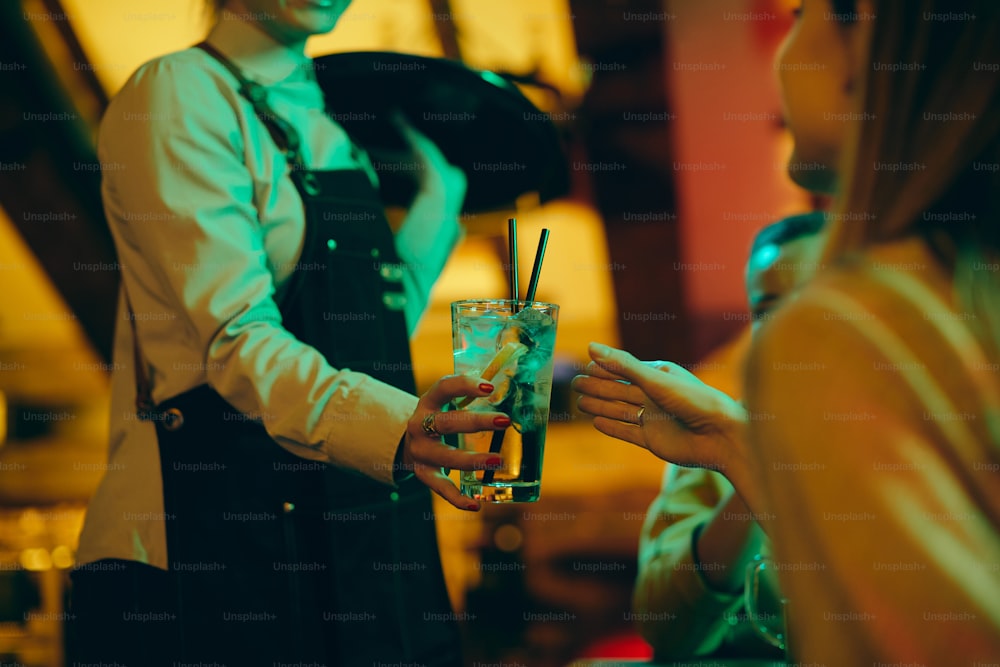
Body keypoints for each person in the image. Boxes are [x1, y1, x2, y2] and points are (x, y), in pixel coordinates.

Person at [69, 1, 511, 665]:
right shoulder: (176, 93)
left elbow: (362, 329)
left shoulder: (335, 122)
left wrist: (437, 205)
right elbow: (236, 339)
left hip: (356, 533)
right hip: (219, 548)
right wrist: (395, 428)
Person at [578, 0, 1000, 662]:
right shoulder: (961, 294)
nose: (783, 52)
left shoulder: (854, 329)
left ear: (863, 48)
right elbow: (667, 620)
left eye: (803, 12)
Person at [618, 212, 823, 660]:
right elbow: (664, 629)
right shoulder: (715, 430)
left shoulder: (910, 438)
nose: (787, 327)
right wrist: (746, 460)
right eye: (768, 310)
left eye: (810, 302)